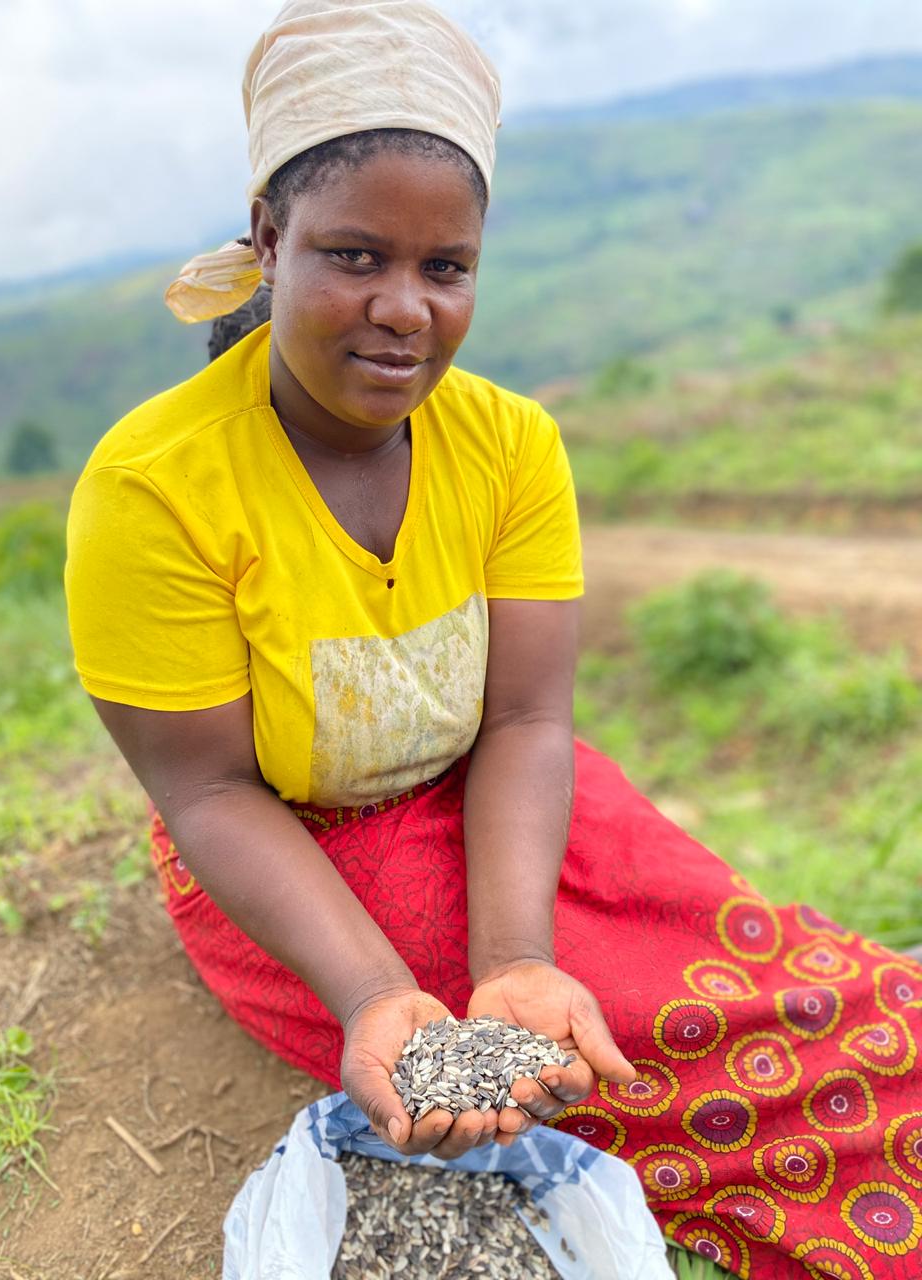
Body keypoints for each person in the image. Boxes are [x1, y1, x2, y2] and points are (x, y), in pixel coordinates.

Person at [65, 2, 922, 1276]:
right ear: (268, 239)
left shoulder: (510, 442)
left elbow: (526, 722)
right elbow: (209, 787)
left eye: (444, 268)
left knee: (721, 942)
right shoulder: (155, 487)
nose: (403, 309)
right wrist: (374, 995)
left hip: (492, 791)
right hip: (293, 857)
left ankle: (890, 1022)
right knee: (604, 1040)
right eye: (354, 256)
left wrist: (514, 952)